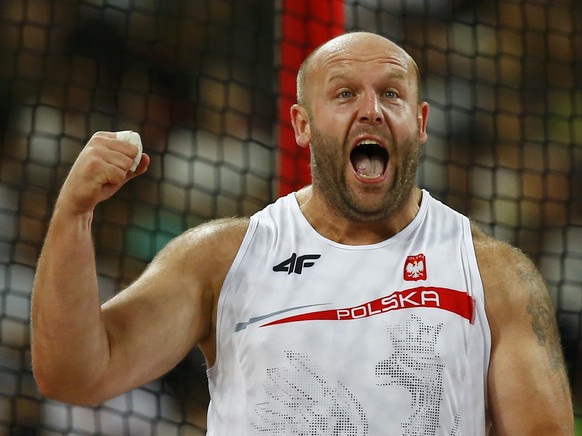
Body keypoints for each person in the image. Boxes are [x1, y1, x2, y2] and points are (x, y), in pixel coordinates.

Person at [31, 32, 573, 435]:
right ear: (301, 125)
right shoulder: (224, 259)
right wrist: (74, 216)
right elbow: (75, 374)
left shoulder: (494, 274)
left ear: (421, 122)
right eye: (343, 95)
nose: (371, 111)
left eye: (391, 94)